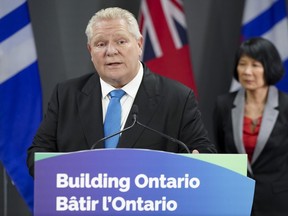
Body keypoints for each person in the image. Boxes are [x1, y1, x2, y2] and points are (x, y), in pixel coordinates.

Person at [27, 7, 216, 177]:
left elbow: (203, 154)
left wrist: (195, 164)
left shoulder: (177, 98)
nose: (111, 51)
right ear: (90, 50)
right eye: (100, 44)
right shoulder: (66, 95)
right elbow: (37, 156)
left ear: (139, 44)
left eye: (121, 41)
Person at [213, 37, 288, 216]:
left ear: (269, 67)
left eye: (255, 65)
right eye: (242, 64)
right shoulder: (224, 105)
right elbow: (222, 151)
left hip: (278, 203)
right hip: (235, 200)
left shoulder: (286, 106)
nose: (247, 71)